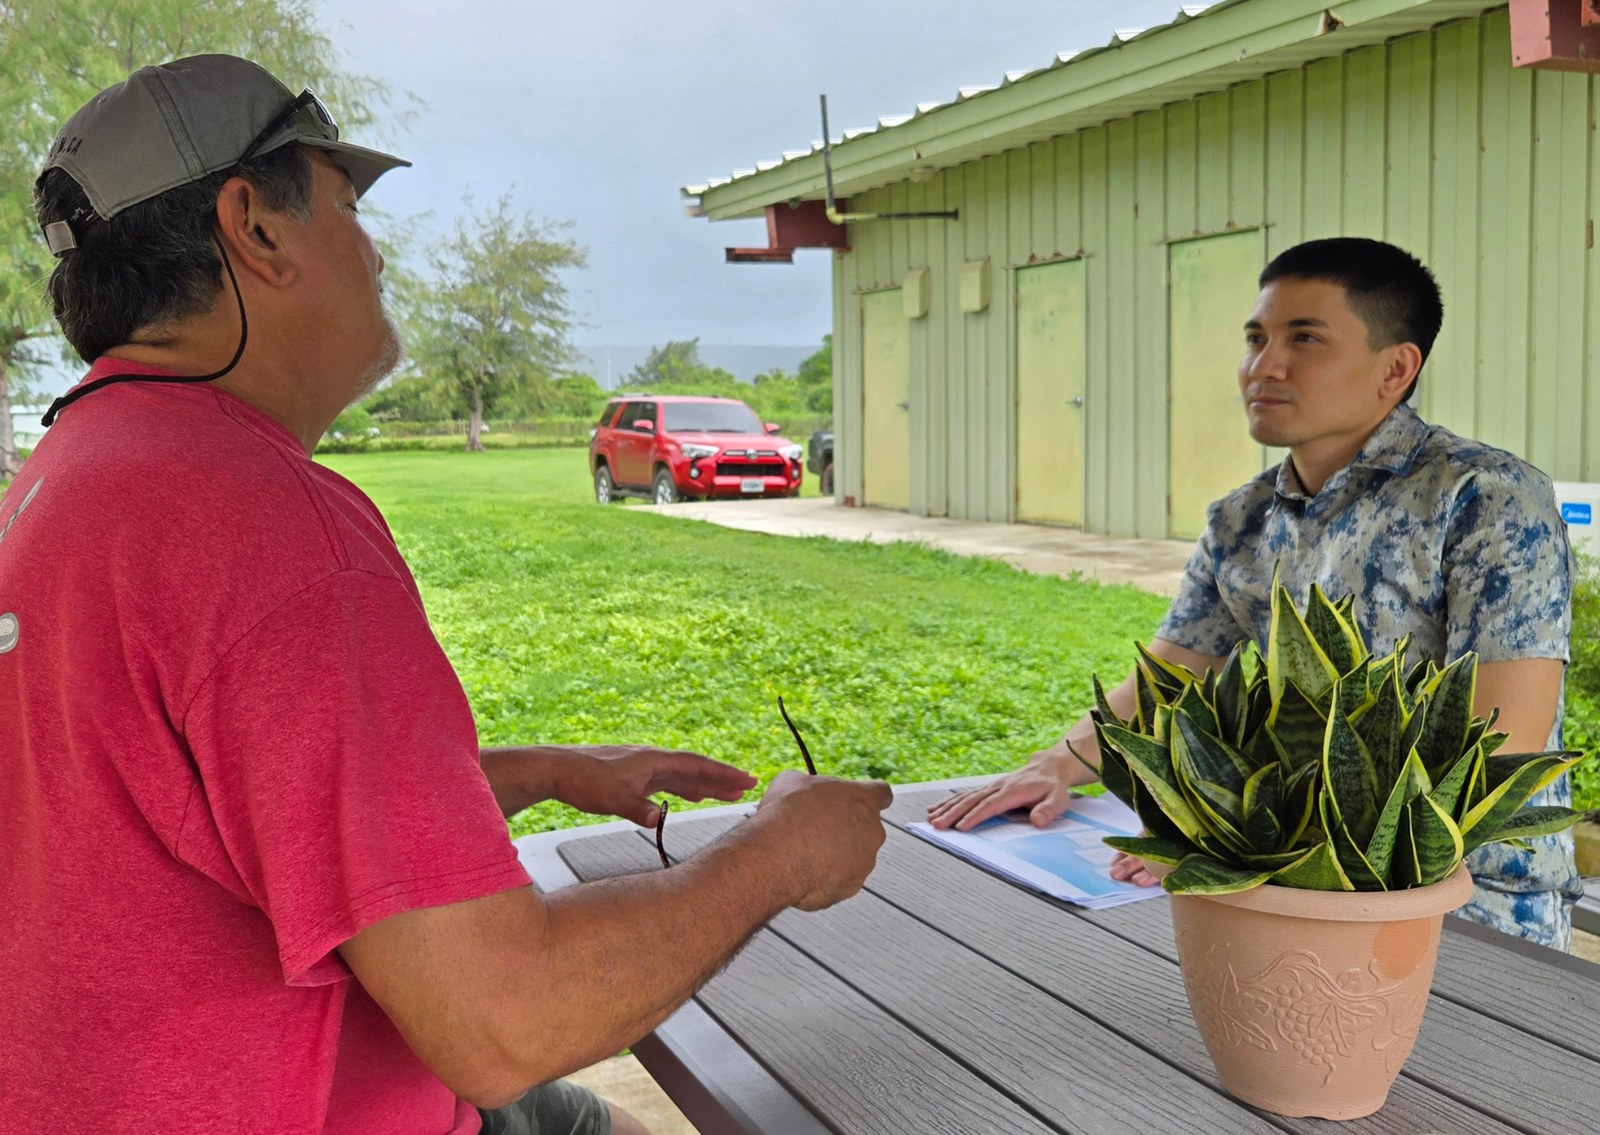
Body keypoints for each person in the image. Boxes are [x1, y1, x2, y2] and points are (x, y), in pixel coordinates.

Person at [0, 55, 893, 1135]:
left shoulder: (69, 478)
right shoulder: (261, 524)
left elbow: (216, 808)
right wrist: (781, 851)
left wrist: (540, 772)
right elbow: (505, 1018)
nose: (374, 251)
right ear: (257, 227)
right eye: (345, 206)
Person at [930, 236, 1583, 950]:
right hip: (1280, 898)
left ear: (1396, 368)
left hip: (1472, 905)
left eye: (1305, 338)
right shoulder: (1241, 519)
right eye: (1256, 337)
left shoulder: (1486, 497)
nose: (1263, 366)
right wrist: (1055, 764)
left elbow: (1501, 744)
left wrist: (1232, 845)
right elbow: (1170, 676)